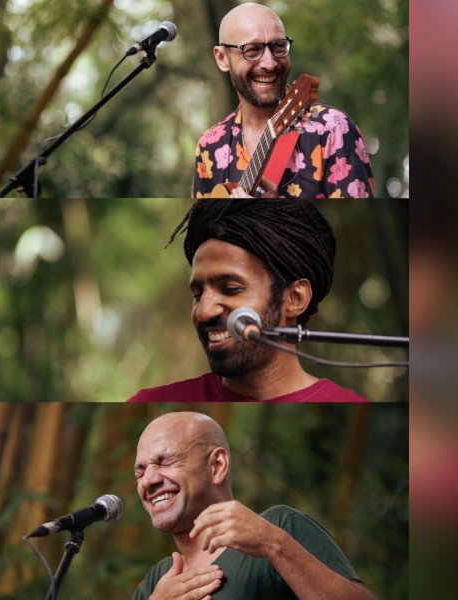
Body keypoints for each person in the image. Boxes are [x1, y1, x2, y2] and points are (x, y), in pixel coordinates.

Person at [128, 198, 366, 402]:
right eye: (197, 295)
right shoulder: (150, 402)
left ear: (295, 298)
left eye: (230, 289)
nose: (204, 312)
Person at [132, 411, 375, 600]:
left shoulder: (279, 526)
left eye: (165, 462)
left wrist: (274, 545)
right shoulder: (156, 582)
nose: (149, 480)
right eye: (140, 472)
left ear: (216, 466)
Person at [193, 3, 374, 199]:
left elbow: (360, 229)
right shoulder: (210, 146)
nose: (270, 64)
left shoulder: (332, 129)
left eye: (278, 47)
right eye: (252, 50)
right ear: (222, 58)